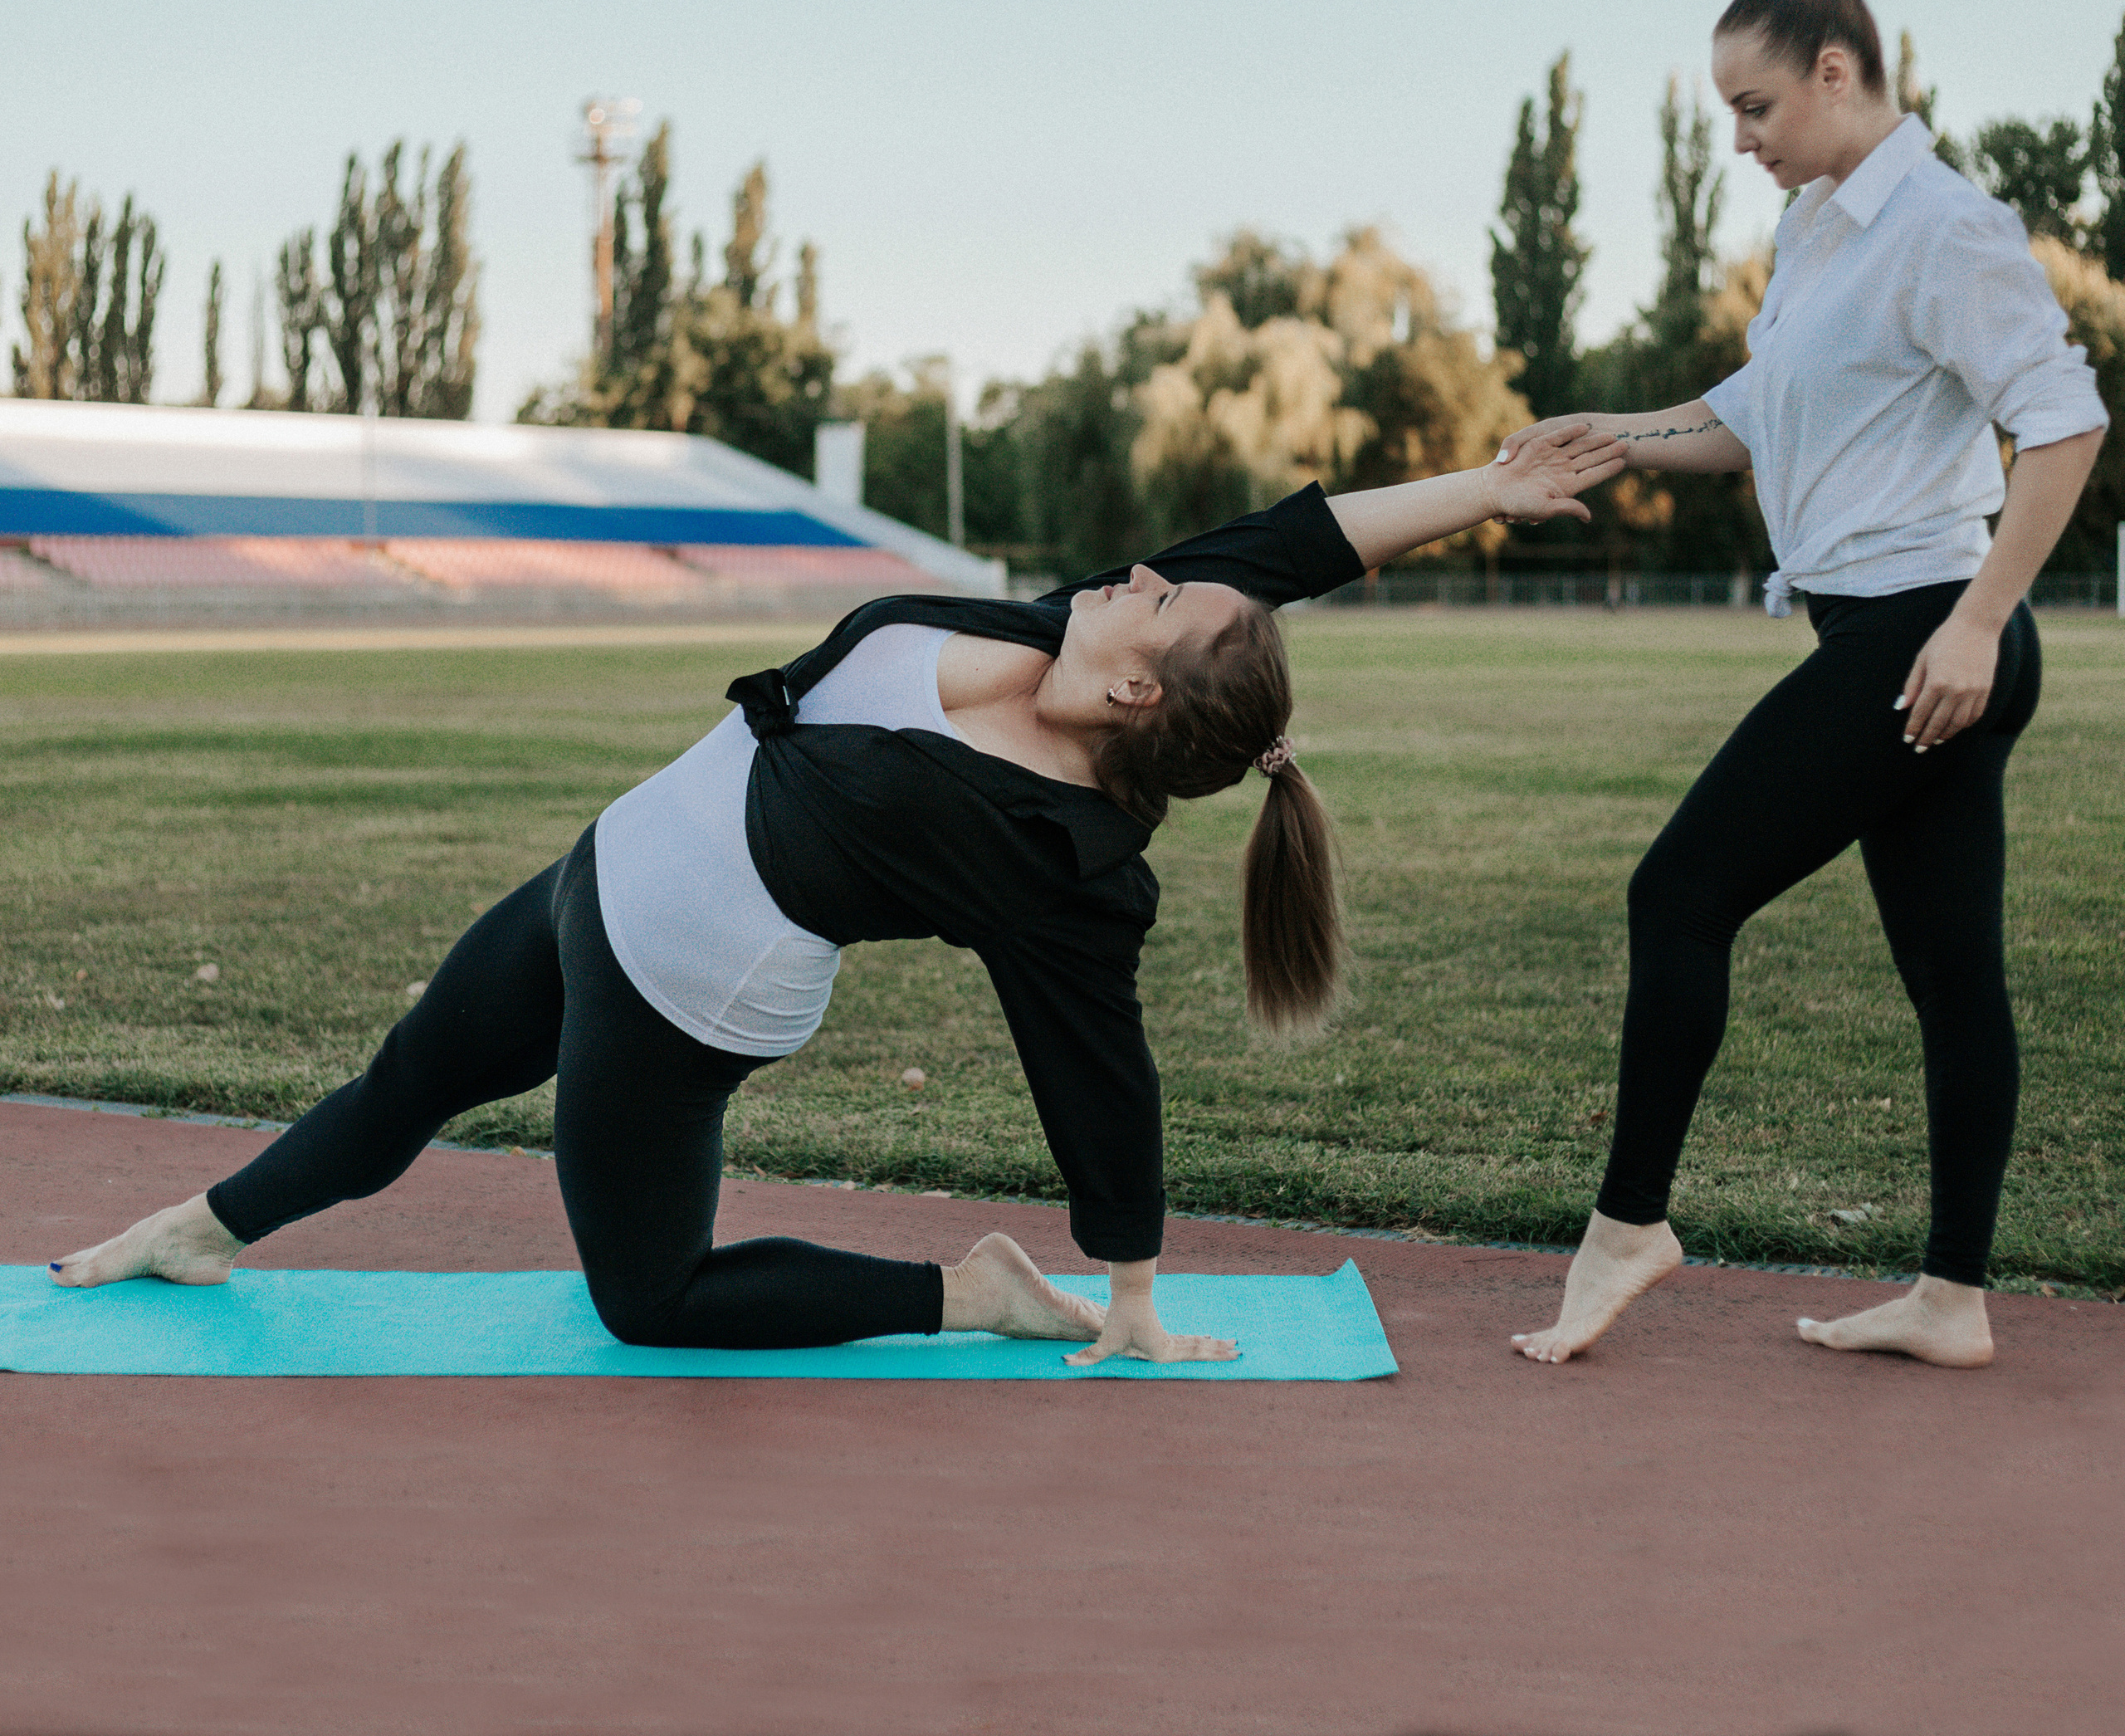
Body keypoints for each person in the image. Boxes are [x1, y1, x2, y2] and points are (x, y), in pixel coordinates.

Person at [50, 428, 1623, 1363]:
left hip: (684, 988)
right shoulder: (1062, 625)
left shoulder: (1060, 860)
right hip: (604, 872)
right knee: (410, 1081)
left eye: (1161, 597)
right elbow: (1280, 545)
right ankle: (197, 1229)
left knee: (650, 1304)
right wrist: (1488, 484)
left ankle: (972, 1295)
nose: (1144, 572)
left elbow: (1099, 1071)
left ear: (1145, 697)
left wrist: (1131, 1288)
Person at [1504, 0, 2108, 1370]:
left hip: (1925, 633)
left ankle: (1627, 1228)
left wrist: (1972, 627)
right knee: (1955, 978)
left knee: (1678, 897)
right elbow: (1759, 412)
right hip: (1904, 634)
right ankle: (1953, 1301)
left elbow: (2067, 423)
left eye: (1755, 108)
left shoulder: (1947, 228)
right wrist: (1621, 437)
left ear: (1835, 70)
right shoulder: (1820, 228)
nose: (1742, 140)